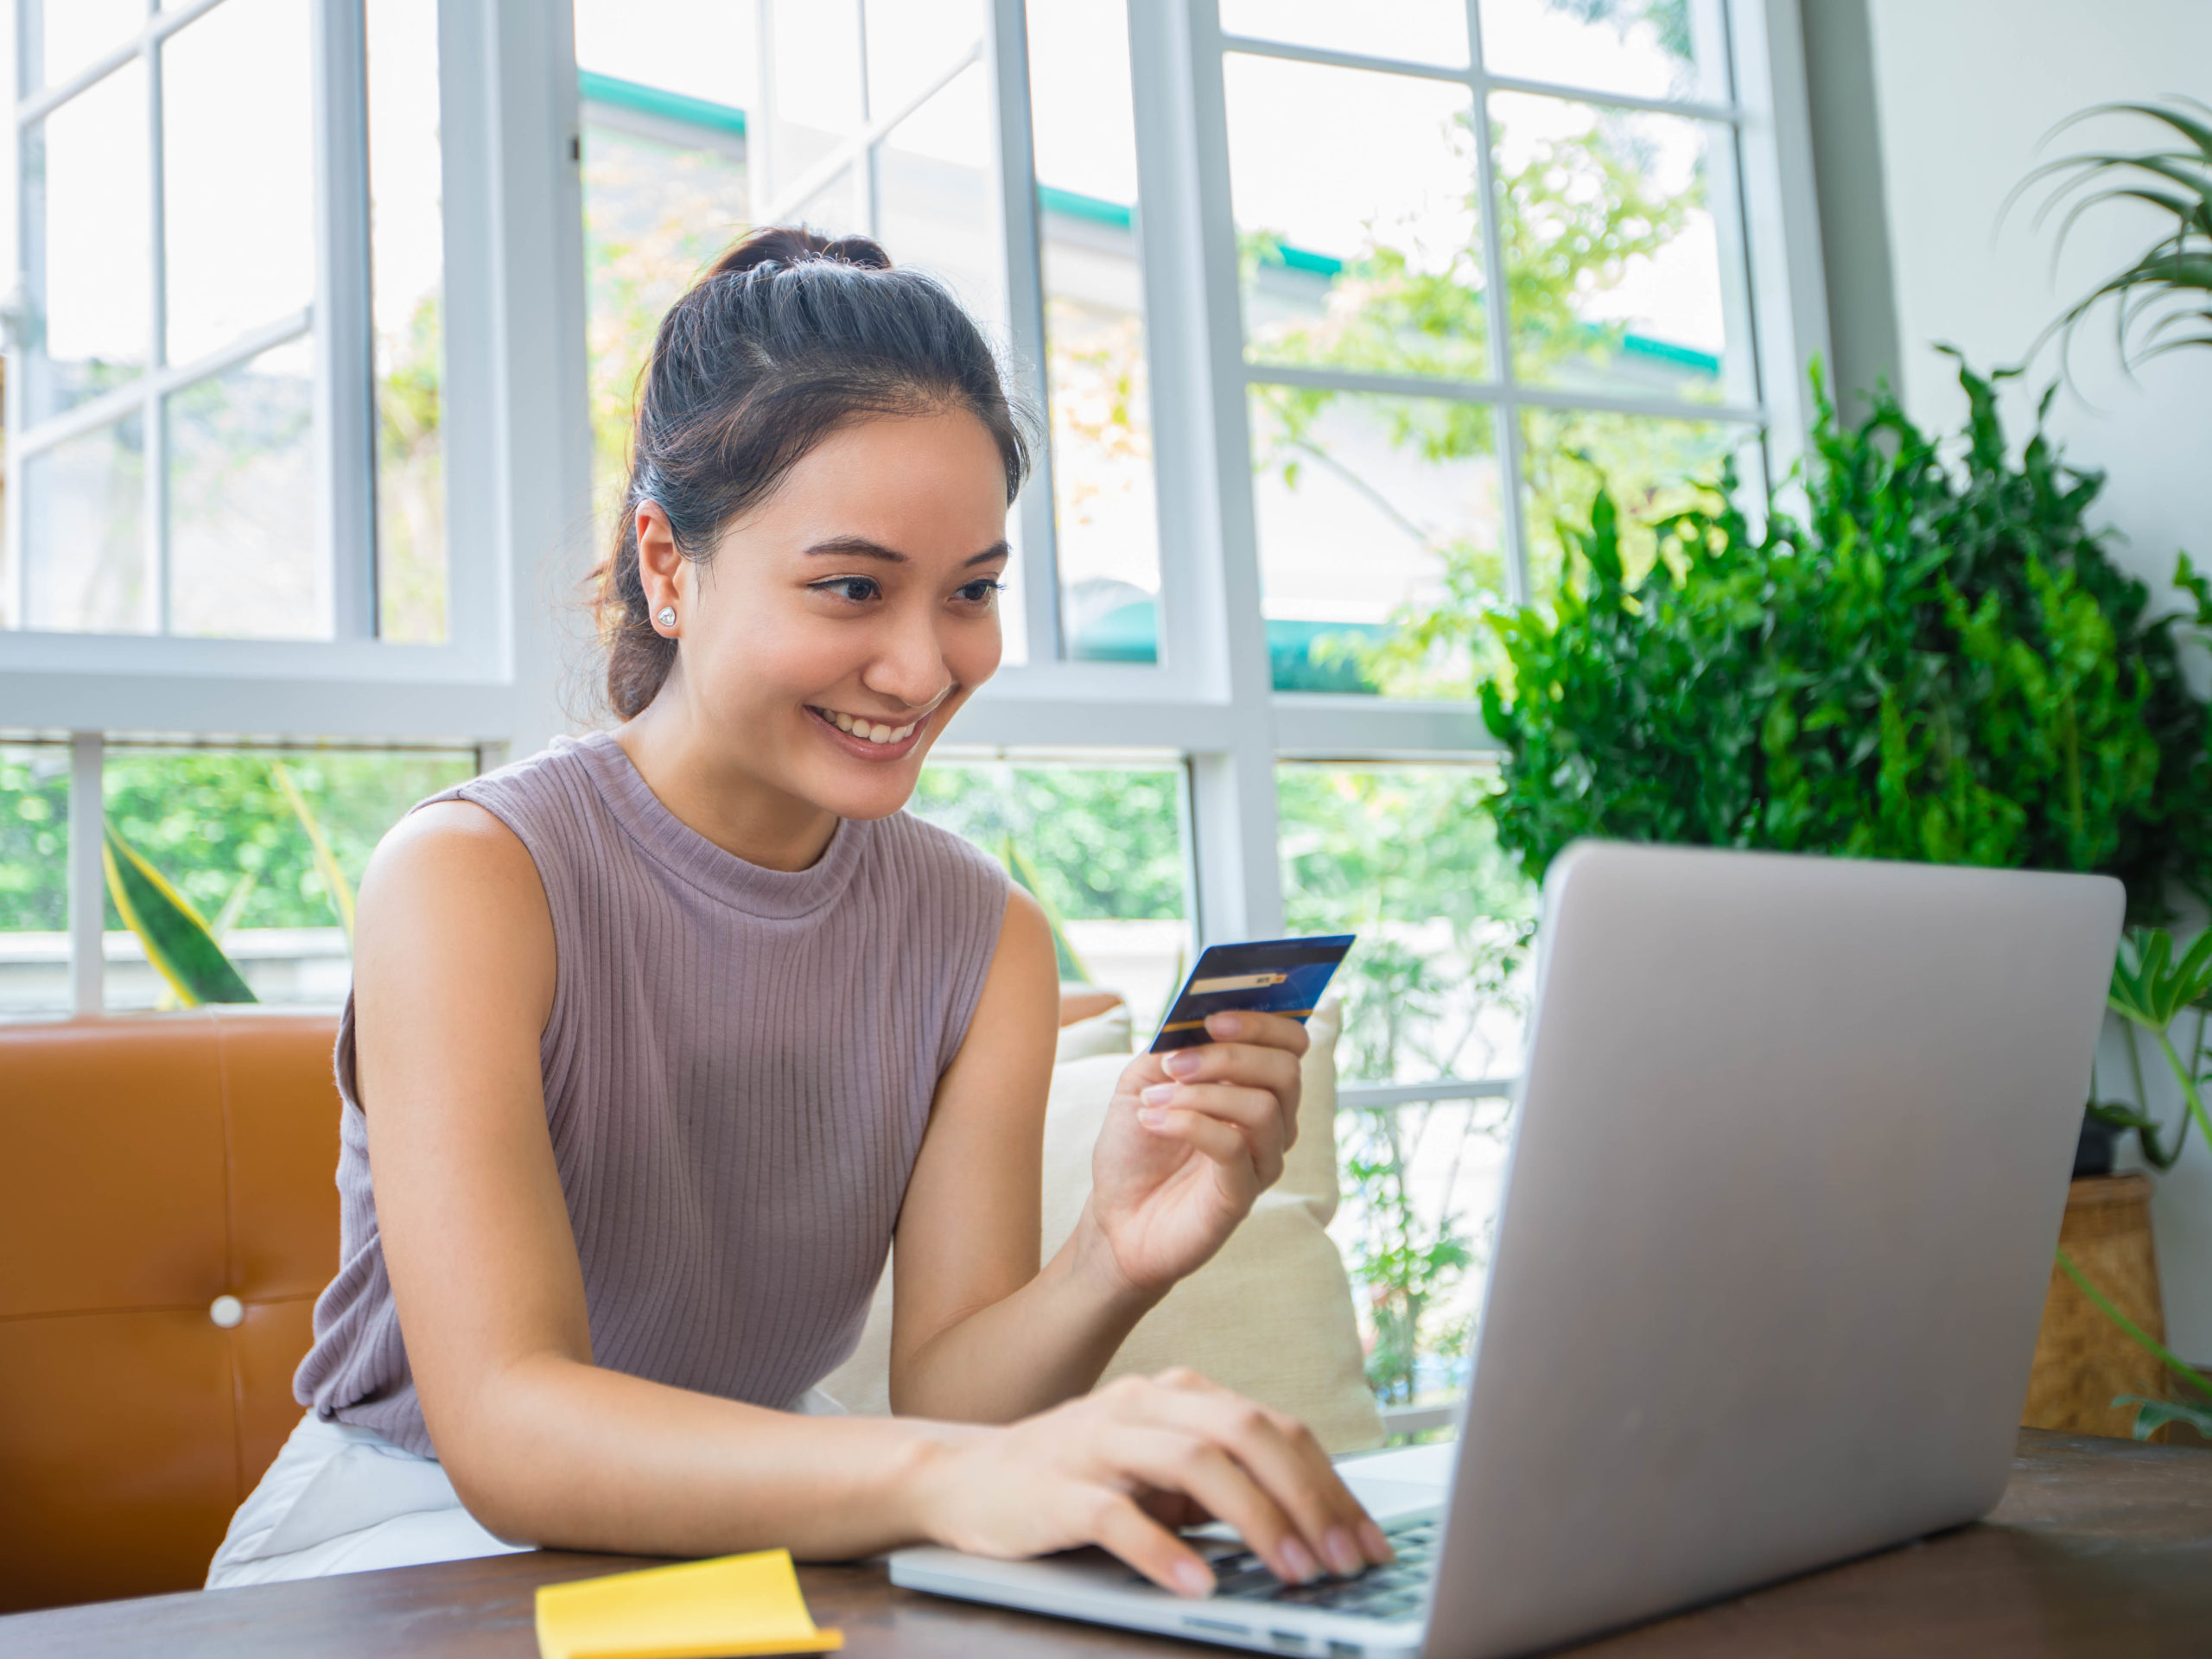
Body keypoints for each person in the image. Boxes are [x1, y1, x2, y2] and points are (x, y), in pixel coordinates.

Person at [207, 227, 1389, 1598]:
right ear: (669, 562)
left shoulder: (979, 935)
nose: (921, 664)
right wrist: (945, 1483)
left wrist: (1111, 1260)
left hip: (768, 1512)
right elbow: (509, 1429)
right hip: (416, 1537)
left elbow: (951, 1399)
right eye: (850, 587)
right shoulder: (472, 878)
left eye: (973, 593)